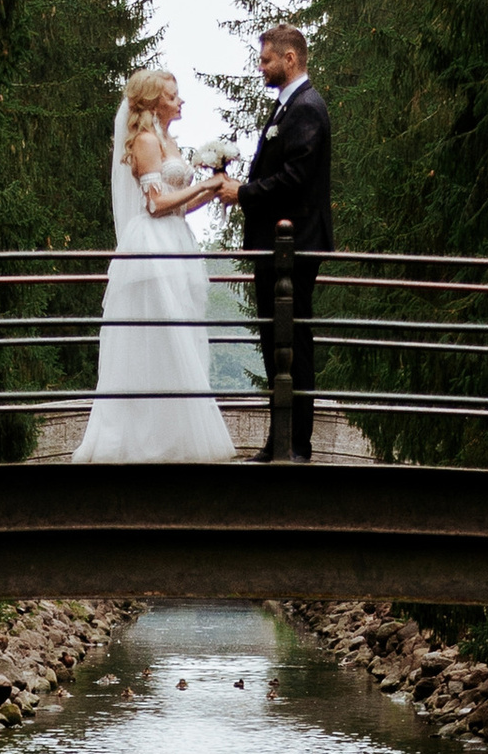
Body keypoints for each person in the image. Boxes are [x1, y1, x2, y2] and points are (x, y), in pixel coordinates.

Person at [71, 67, 237, 466]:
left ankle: (173, 433)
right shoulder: (145, 140)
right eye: (173, 94)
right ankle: (140, 439)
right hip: (152, 245)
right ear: (153, 101)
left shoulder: (169, 141)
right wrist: (202, 186)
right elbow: (156, 205)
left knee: (179, 335)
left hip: (176, 241)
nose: (181, 101)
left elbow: (178, 206)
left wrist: (212, 190)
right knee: (157, 336)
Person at [222, 23, 332, 462]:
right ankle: (280, 439)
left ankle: (296, 444)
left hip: (295, 244)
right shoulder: (289, 106)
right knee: (275, 342)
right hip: (278, 245)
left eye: (266, 59)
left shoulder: (305, 107)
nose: (260, 66)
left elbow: (295, 178)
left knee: (292, 341)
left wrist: (242, 193)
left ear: (290, 59)